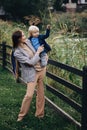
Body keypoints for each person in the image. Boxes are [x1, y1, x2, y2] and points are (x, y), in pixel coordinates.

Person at [12, 30, 47, 122]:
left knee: (41, 93)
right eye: (23, 36)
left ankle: (40, 114)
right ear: (18, 39)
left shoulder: (27, 42)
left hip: (41, 69)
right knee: (29, 95)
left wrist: (44, 54)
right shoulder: (17, 52)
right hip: (32, 73)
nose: (25, 37)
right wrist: (38, 52)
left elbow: (39, 41)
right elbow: (31, 62)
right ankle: (21, 115)